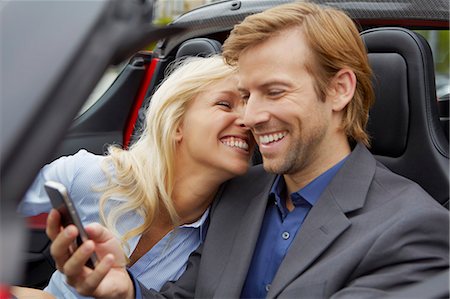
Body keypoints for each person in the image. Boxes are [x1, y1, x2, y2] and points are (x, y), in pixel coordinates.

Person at [45, 2, 449, 299]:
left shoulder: (414, 229)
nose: (251, 117)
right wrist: (126, 291)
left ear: (339, 90)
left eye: (273, 92)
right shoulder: (237, 194)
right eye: (243, 96)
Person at [16, 56, 254, 298]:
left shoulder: (229, 233)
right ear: (176, 124)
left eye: (251, 107)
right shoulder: (91, 174)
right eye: (225, 104)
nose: (248, 120)